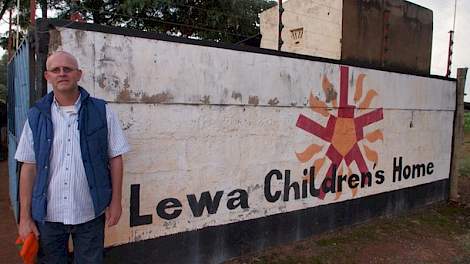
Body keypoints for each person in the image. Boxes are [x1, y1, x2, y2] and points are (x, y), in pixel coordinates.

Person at [15, 51, 130, 263]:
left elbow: (115, 158)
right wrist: (25, 217)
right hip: (48, 216)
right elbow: (28, 166)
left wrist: (116, 202)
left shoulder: (102, 111)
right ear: (47, 76)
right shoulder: (36, 115)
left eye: (67, 69)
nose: (62, 74)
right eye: (55, 70)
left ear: (78, 74)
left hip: (89, 213)